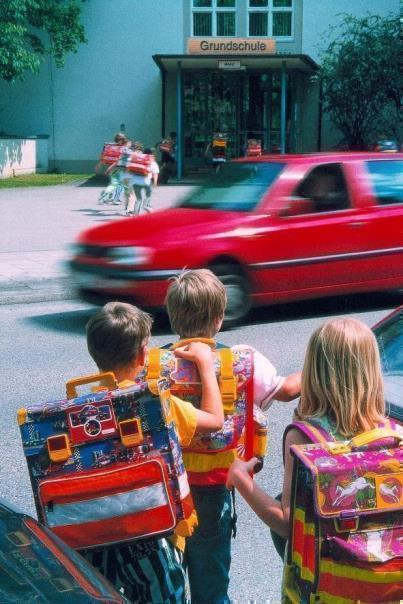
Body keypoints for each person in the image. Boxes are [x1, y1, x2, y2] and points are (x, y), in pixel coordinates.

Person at [163, 269, 301, 604]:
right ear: (219, 318)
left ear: (172, 315)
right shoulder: (242, 359)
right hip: (215, 484)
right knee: (211, 578)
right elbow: (286, 391)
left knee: (167, 577)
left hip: (167, 490)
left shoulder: (154, 365)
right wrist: (320, 365)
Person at [80, 301, 224, 604]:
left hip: (96, 539)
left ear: (94, 353)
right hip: (152, 539)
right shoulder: (156, 404)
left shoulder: (81, 411)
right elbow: (214, 420)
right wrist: (206, 366)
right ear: (144, 355)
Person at [226, 317, 390, 562]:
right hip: (381, 573)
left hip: (330, 579)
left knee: (284, 502)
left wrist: (240, 479)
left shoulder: (304, 436)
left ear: (313, 370)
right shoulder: (390, 432)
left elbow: (288, 524)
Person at [95, 132, 128, 205]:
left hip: (111, 168)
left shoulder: (110, 147)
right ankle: (113, 198)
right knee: (119, 184)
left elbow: (103, 156)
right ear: (122, 140)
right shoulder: (123, 148)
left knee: (113, 184)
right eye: (123, 139)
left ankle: (107, 196)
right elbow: (121, 159)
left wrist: (99, 165)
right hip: (119, 168)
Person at [132, 147, 159, 214]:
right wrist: (155, 183)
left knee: (138, 198)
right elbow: (155, 173)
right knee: (148, 195)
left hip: (135, 182)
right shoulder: (152, 162)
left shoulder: (137, 160)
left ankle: (135, 214)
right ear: (152, 154)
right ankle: (146, 206)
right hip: (146, 182)